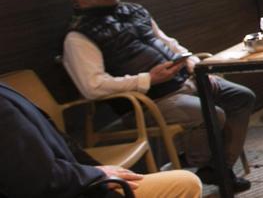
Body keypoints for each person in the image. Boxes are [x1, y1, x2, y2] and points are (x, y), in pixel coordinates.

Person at [61, 0, 256, 192]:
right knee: (211, 113)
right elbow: (92, 87)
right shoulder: (78, 37)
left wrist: (192, 63)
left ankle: (215, 167)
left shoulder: (134, 11)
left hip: (186, 80)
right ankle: (204, 164)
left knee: (242, 97)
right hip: (151, 101)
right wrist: (148, 79)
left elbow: (169, 43)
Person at [0, 83, 204, 198]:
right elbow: (36, 179)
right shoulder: (79, 38)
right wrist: (95, 174)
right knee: (185, 183)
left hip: (71, 174)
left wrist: (96, 169)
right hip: (70, 188)